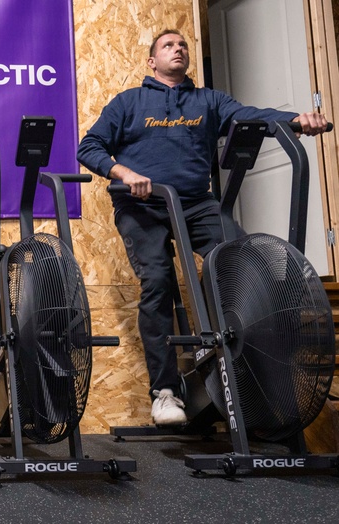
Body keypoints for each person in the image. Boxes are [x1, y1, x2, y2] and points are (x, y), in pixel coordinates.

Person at [76, 29, 329, 426]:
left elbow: (252, 116)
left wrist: (295, 121)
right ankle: (165, 393)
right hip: (141, 205)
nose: (178, 49)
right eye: (168, 46)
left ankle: (251, 376)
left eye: (183, 46)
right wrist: (124, 172)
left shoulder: (207, 101)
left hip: (195, 203)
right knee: (158, 281)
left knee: (245, 266)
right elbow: (89, 146)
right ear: (151, 62)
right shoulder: (129, 102)